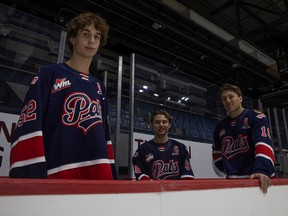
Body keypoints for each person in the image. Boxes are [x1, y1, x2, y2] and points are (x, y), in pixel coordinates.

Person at [9, 12, 117, 180]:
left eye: (97, 36)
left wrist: (111, 172)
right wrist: (30, 176)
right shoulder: (49, 74)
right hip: (59, 173)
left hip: (97, 174)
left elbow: (104, 135)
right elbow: (30, 124)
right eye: (86, 34)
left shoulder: (99, 86)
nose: (92, 41)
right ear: (73, 38)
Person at [212, 83, 275, 193]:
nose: (227, 101)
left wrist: (261, 169)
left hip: (257, 178)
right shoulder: (220, 127)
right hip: (232, 182)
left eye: (231, 96)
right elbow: (216, 152)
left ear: (240, 98)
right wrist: (227, 169)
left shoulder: (256, 117)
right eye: (224, 99)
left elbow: (263, 144)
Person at [132, 109, 195, 180]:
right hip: (154, 190)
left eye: (164, 122)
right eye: (157, 122)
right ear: (151, 125)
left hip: (175, 190)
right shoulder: (142, 150)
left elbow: (187, 177)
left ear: (169, 125)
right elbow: (142, 178)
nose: (161, 125)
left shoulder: (181, 148)